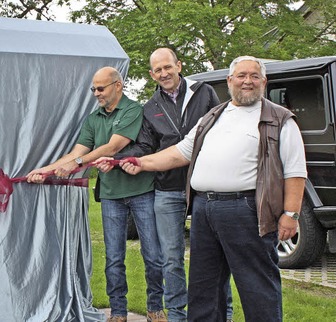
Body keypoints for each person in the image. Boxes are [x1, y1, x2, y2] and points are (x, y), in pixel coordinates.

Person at [113, 56, 306, 321]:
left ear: (264, 81)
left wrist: (291, 214)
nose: (247, 81)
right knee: (204, 288)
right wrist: (140, 162)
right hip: (204, 210)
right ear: (229, 81)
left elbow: (295, 172)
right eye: (241, 76)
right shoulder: (215, 115)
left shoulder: (280, 119)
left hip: (247, 210)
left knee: (257, 286)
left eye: (253, 76)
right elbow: (181, 152)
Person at [98, 48, 234, 322]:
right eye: (157, 70)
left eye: (167, 67)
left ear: (178, 65)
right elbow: (146, 145)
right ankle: (176, 316)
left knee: (213, 255)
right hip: (168, 188)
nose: (164, 73)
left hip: (204, 186)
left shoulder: (204, 92)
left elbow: (222, 130)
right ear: (152, 75)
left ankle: (223, 314)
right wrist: (119, 159)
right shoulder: (150, 108)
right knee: (171, 257)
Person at [27, 67, 166, 322]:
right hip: (112, 195)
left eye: (101, 88)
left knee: (153, 255)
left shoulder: (133, 110)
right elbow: (76, 152)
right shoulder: (93, 118)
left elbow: (113, 147)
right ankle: (119, 312)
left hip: (142, 192)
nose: (96, 94)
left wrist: (77, 163)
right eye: (94, 89)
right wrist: (44, 170)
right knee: (114, 257)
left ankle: (155, 307)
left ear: (118, 86)